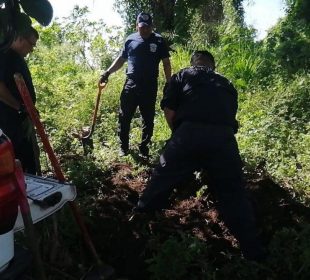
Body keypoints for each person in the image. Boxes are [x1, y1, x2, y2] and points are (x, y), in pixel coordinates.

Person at [135, 50, 264, 261]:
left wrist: (178, 138)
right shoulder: (227, 84)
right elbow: (230, 117)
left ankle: (139, 219)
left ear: (194, 62)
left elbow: (169, 110)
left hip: (190, 132)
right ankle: (253, 251)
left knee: (162, 176)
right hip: (224, 138)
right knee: (234, 193)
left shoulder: (183, 75)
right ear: (212, 65)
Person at [99, 12, 171, 158]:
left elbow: (166, 63)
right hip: (131, 84)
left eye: (148, 27)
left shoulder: (158, 41)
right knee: (124, 116)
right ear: (137, 26)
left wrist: (169, 82)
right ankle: (123, 147)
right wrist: (107, 73)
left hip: (149, 85)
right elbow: (121, 59)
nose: (145, 30)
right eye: (142, 27)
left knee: (148, 118)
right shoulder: (130, 40)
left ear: (152, 26)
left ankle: (144, 148)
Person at [0, 26, 41, 175]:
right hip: (9, 122)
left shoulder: (14, 57)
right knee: (19, 163)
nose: (32, 49)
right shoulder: (5, 56)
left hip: (19, 121)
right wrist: (19, 107)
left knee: (28, 160)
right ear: (19, 39)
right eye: (31, 44)